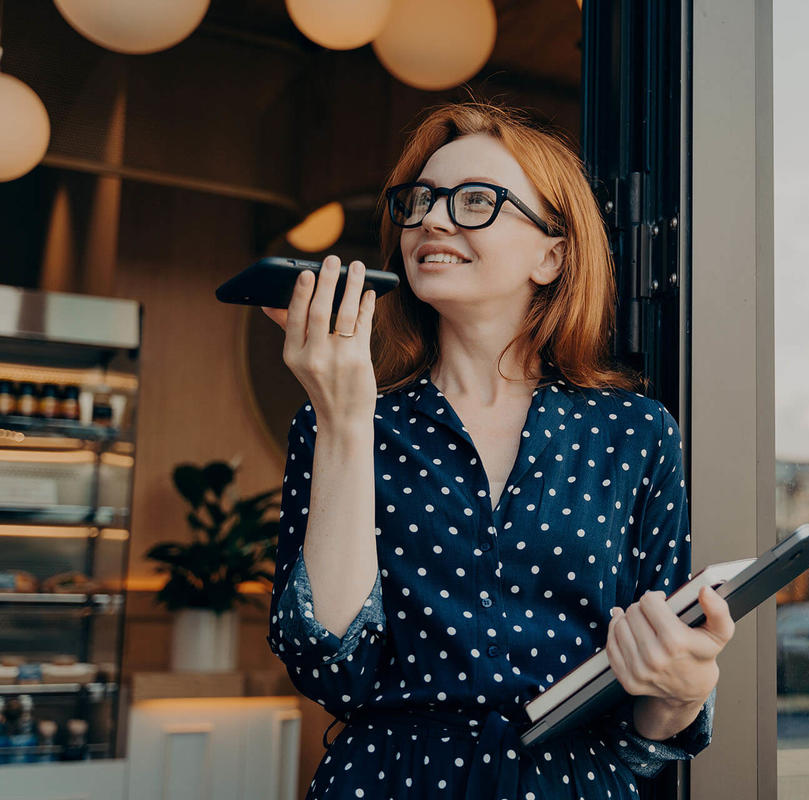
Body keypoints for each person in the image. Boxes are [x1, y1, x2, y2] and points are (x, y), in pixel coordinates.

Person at [262, 102, 734, 799]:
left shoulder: (634, 432)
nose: (432, 219)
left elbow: (648, 734)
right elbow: (334, 669)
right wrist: (345, 420)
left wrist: (685, 691)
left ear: (552, 254)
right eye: (419, 201)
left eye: (476, 200)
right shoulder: (342, 422)